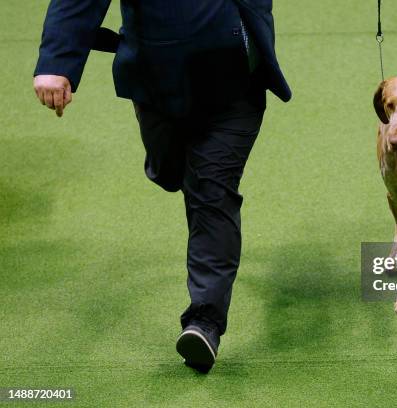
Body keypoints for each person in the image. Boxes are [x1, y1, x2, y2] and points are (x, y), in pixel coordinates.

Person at [33, 0, 291, 373]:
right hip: (156, 80)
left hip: (236, 81)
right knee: (171, 170)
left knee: (212, 193)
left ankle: (204, 322)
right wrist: (56, 63)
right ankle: (169, 166)